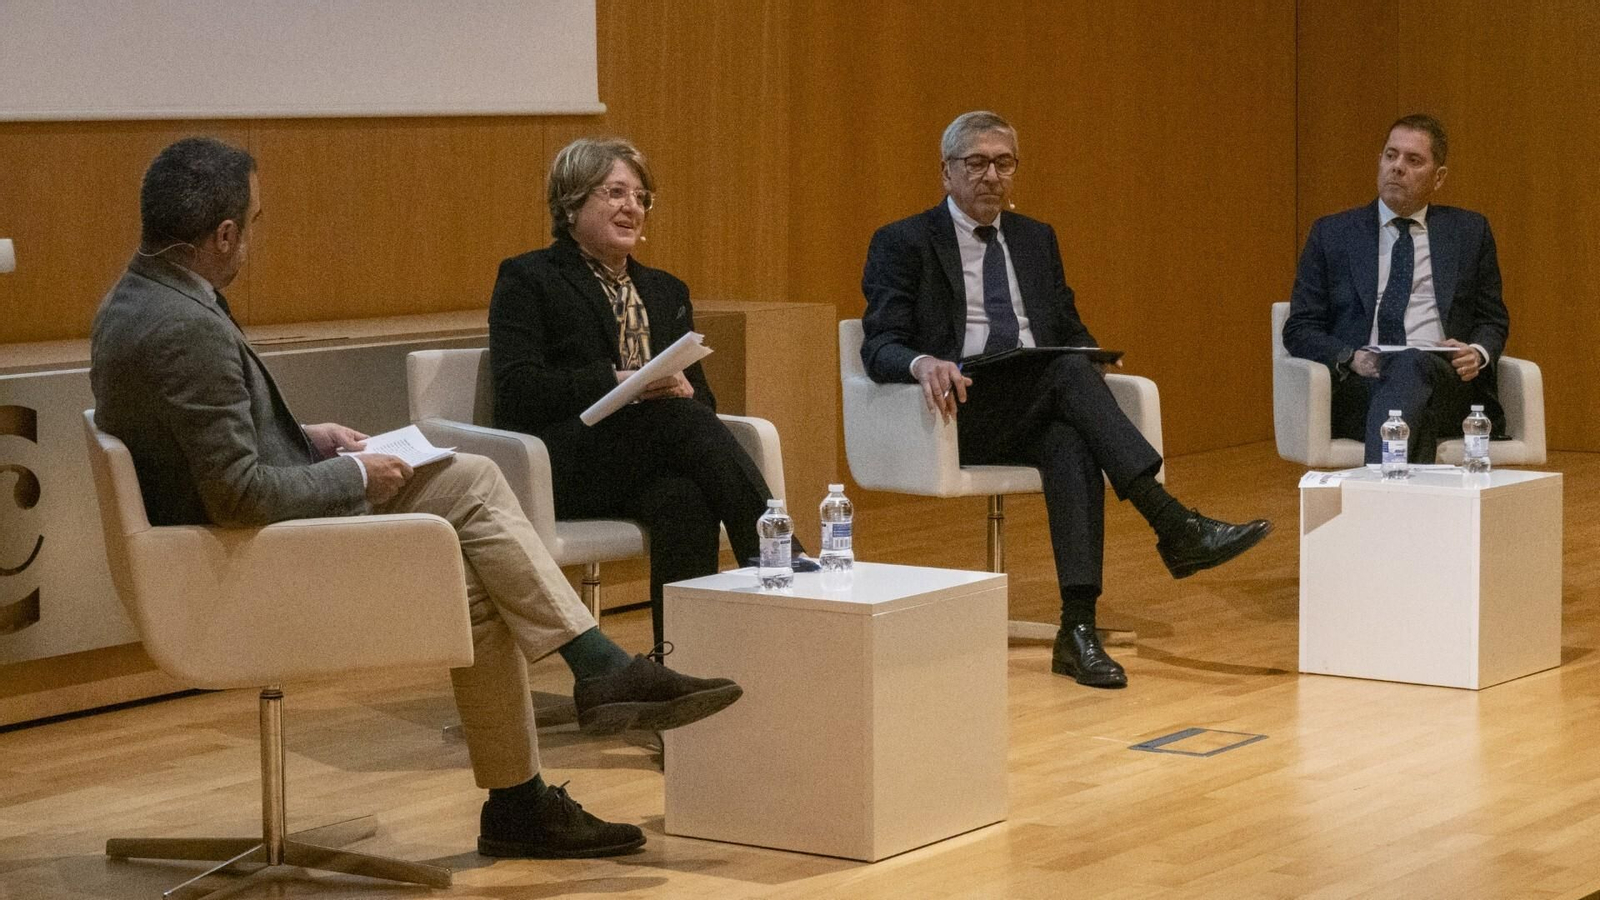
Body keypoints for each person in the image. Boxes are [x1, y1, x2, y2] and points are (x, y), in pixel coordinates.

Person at [90, 137, 744, 860]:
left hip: (223, 544)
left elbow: (206, 446)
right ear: (223, 235)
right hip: (241, 564)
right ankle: (595, 672)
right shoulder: (186, 328)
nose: (253, 238)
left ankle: (523, 796)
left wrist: (308, 439)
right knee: (473, 496)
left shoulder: (140, 298)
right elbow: (239, 494)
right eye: (253, 222)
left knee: (474, 542)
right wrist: (355, 476)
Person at [859, 111, 1272, 689]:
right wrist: (922, 361)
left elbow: (1066, 327)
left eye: (1003, 163)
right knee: (1067, 374)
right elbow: (878, 344)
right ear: (946, 172)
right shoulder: (904, 241)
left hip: (1037, 400)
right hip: (960, 410)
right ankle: (1172, 522)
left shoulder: (1036, 238)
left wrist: (1091, 354)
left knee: (1070, 438)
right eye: (976, 163)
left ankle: (1077, 630)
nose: (991, 176)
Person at [488, 137, 781, 646]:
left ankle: (682, 661)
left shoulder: (666, 290)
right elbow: (518, 391)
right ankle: (777, 553)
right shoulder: (528, 278)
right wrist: (618, 381)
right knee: (678, 420)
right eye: (616, 192)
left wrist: (684, 388)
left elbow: (704, 406)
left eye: (641, 197)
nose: (632, 207)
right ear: (572, 203)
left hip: (647, 459)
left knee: (686, 498)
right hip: (560, 464)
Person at [1283, 114, 1509, 463]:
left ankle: (1380, 487)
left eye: (1413, 160)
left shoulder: (1468, 232)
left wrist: (1476, 352)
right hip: (1363, 386)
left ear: (1439, 177)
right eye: (1391, 155)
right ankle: (1398, 489)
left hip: (1446, 382)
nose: (1397, 167)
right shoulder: (1333, 234)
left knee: (1411, 365)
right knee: (1414, 406)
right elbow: (1299, 328)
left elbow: (1492, 319)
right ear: (1380, 161)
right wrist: (1351, 357)